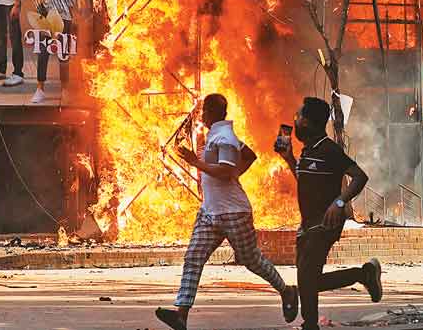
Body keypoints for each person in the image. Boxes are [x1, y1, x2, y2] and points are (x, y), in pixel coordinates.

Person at [155, 93, 299, 330]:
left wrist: (196, 162)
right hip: (210, 211)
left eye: (203, 111)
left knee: (251, 260)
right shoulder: (218, 134)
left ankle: (287, 291)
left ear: (211, 112)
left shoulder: (225, 138)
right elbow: (249, 155)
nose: (200, 115)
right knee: (193, 257)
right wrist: (235, 174)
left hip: (234, 212)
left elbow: (224, 171)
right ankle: (181, 314)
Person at [277, 96, 383, 330]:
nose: (295, 121)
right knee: (308, 280)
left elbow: (359, 176)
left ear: (310, 122)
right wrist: (289, 159)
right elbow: (304, 181)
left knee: (306, 277)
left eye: (299, 116)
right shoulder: (307, 151)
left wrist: (339, 202)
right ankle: (364, 274)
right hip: (308, 223)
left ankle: (310, 324)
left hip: (325, 223)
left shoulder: (329, 149)